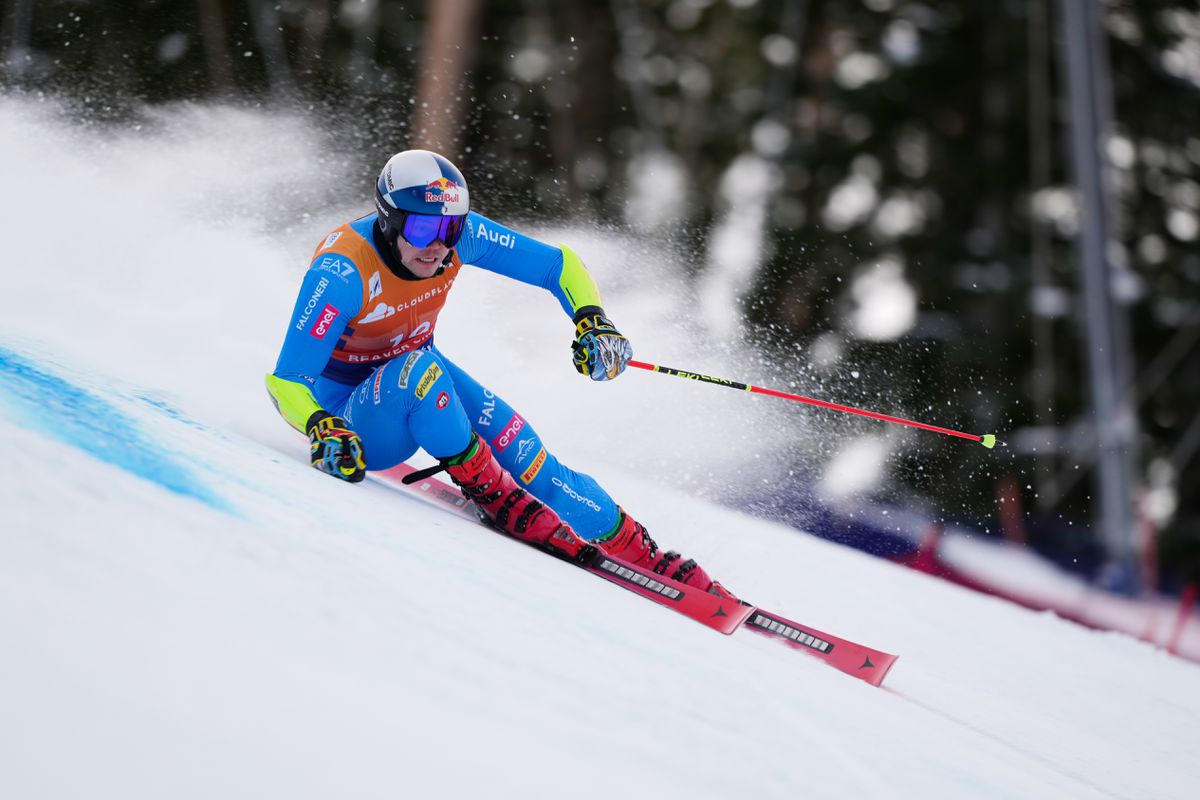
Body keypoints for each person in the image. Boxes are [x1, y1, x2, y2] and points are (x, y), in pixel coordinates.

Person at [267, 149, 732, 598]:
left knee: (532, 460)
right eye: (424, 226)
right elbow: (286, 380)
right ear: (388, 220)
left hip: (421, 384)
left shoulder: (455, 241)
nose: (438, 245)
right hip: (357, 424)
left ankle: (642, 554)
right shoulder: (342, 272)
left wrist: (593, 319)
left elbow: (559, 265)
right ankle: (493, 493)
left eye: (451, 228)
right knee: (422, 369)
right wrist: (321, 425)